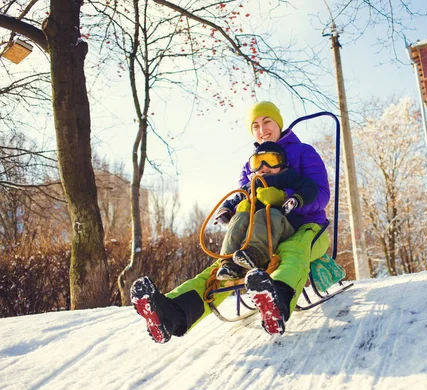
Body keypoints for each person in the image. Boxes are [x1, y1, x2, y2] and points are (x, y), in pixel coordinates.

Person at [130, 101, 330, 342]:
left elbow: (320, 192)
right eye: (255, 125)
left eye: (267, 121)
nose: (262, 129)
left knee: (292, 250)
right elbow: (242, 195)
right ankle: (171, 314)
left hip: (305, 228)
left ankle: (276, 300)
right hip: (261, 232)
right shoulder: (250, 163)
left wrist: (288, 198)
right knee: (222, 268)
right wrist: (230, 209)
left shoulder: (303, 152)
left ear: (278, 122)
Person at [215, 140, 318, 281]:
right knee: (240, 218)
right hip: (253, 231)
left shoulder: (288, 177)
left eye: (271, 160)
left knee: (266, 213)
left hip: (282, 227)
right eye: (257, 162)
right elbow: (234, 199)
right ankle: (228, 262)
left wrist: (294, 199)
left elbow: (310, 187)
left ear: (281, 163)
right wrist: (225, 210)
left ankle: (256, 253)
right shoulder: (251, 185)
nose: (264, 167)